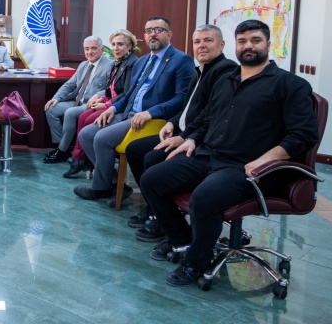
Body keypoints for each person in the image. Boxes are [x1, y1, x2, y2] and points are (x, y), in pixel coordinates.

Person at [141, 19, 318, 287]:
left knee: (204, 198)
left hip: (247, 167)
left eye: (255, 40)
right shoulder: (226, 79)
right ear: (235, 45)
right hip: (209, 155)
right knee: (152, 179)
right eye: (242, 41)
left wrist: (264, 160)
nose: (248, 46)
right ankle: (182, 240)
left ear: (268, 44)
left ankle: (196, 264)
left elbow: (303, 135)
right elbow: (208, 118)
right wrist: (192, 139)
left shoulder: (290, 84)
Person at [124, 24, 236, 241]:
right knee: (135, 149)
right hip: (182, 131)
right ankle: (154, 208)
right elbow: (186, 108)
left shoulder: (225, 71)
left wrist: (184, 137)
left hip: (199, 140)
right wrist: (172, 123)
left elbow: (211, 115)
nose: (202, 46)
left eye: (208, 40)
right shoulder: (200, 70)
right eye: (197, 42)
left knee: (152, 158)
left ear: (221, 45)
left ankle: (166, 222)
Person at [73, 16, 195, 207]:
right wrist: (113, 108)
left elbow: (182, 98)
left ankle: (100, 188)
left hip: (151, 120)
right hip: (127, 113)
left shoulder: (181, 60)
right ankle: (113, 183)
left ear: (169, 34)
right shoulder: (143, 61)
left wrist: (151, 112)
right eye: (148, 31)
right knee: (86, 134)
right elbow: (131, 93)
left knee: (101, 138)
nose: (152, 34)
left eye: (158, 30)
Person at [63, 30, 138, 177]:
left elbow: (126, 93)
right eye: (114, 44)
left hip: (120, 106)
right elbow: (111, 89)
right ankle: (80, 158)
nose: (115, 48)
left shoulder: (132, 63)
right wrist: (102, 99)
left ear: (129, 46)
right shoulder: (118, 62)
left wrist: (106, 104)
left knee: (90, 119)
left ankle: (82, 159)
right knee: (83, 116)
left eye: (120, 44)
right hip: (110, 102)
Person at [43, 36, 111, 164]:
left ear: (102, 49)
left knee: (70, 113)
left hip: (91, 104)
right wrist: (56, 98)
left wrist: (98, 95)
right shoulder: (84, 65)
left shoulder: (109, 65)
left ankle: (61, 150)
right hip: (77, 101)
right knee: (51, 109)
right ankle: (63, 147)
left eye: (94, 48)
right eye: (87, 49)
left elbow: (111, 88)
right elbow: (70, 84)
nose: (89, 52)